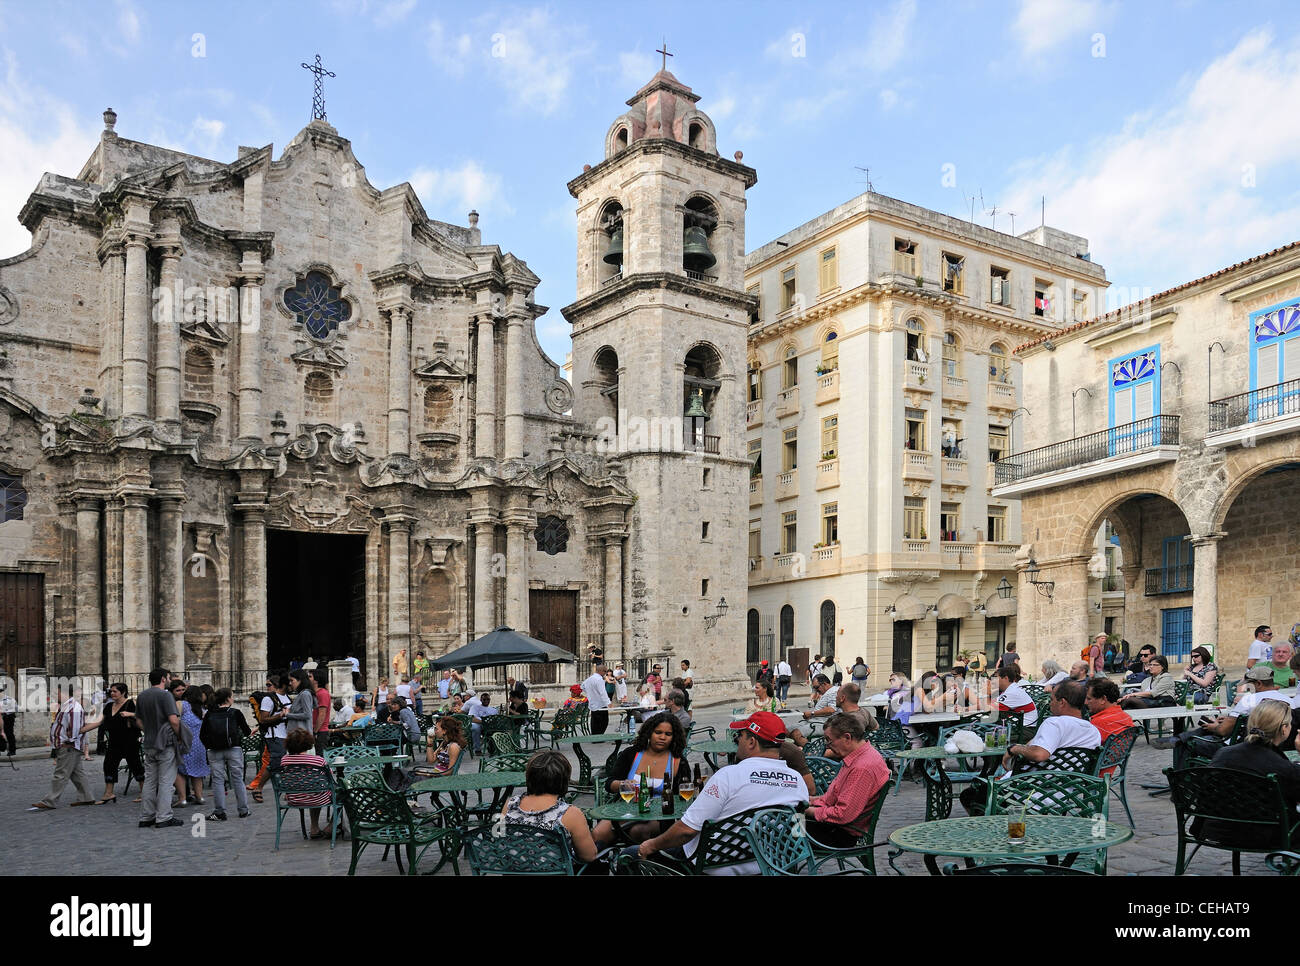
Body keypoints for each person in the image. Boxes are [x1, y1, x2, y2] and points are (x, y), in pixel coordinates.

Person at [637, 711, 808, 874]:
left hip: (713, 866)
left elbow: (686, 831)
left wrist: (651, 845)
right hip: (767, 864)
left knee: (629, 855)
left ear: (751, 742)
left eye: (738, 736)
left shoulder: (729, 775)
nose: (736, 742)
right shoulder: (797, 780)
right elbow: (796, 833)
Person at [961, 680, 1101, 816]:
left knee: (969, 795)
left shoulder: (1055, 723)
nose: (1050, 703)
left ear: (1062, 702)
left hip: (1028, 794)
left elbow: (1040, 754)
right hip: (1066, 794)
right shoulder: (1093, 731)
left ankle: (992, 829)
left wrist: (1014, 749)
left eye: (1052, 699)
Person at [1203, 700, 1300, 848]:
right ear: (1284, 729)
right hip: (1266, 835)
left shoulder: (1224, 753)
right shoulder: (1280, 767)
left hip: (1219, 830)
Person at [1161, 664, 1289, 763]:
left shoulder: (1249, 700)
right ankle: (1179, 738)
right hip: (1276, 745)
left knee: (1189, 742)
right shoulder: (1289, 701)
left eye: (1251, 685)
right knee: (1209, 726)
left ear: (1259, 683)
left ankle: (1180, 785)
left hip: (1241, 747)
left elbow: (1223, 731)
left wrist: (1214, 726)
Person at [595, 713, 689, 845]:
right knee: (599, 833)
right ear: (649, 732)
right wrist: (622, 784)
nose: (662, 737)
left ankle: (640, 863)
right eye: (658, 732)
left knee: (638, 831)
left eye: (668, 734)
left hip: (659, 815)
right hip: (627, 809)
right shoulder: (631, 754)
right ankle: (598, 863)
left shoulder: (678, 761)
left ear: (674, 737)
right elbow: (609, 783)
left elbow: (685, 796)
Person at [804, 712, 891, 847]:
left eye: (829, 740)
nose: (827, 746)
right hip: (837, 828)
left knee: (782, 828)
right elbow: (833, 798)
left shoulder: (862, 768)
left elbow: (842, 815)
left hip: (840, 834)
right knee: (784, 820)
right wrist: (810, 801)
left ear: (847, 737)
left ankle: (775, 865)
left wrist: (809, 811)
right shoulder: (860, 756)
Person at [500, 749, 599, 863]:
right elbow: (588, 856)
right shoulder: (570, 813)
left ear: (529, 777)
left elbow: (499, 841)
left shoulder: (509, 804)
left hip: (514, 870)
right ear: (564, 780)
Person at [30, 682, 95, 811]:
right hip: (67, 745)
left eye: (57, 692)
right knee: (77, 773)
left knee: (60, 774)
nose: (55, 694)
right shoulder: (67, 706)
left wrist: (69, 742)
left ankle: (50, 801)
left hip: (68, 746)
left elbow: (76, 728)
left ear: (64, 692)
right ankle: (87, 797)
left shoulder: (73, 708)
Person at [136, 668, 184, 828]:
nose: (170, 680)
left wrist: (149, 731)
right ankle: (163, 816)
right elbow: (174, 720)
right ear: (164, 679)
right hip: (165, 743)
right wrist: (179, 736)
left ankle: (146, 816)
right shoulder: (165, 695)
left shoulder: (142, 696)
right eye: (169, 678)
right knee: (166, 781)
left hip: (149, 742)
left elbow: (138, 721)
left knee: (150, 780)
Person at [200, 688, 251, 821]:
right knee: (237, 779)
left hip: (214, 750)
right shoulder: (235, 713)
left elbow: (202, 735)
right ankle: (243, 810)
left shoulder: (209, 714)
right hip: (233, 748)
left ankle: (220, 811)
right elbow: (246, 731)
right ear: (228, 698)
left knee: (217, 780)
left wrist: (209, 746)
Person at [95, 682, 143, 805]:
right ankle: (108, 793)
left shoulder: (131, 703)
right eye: (111, 691)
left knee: (135, 764)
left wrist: (130, 714)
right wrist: (82, 730)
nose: (112, 693)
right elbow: (99, 721)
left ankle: (144, 792)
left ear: (123, 692)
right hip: (114, 741)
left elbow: (143, 717)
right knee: (109, 764)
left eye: (115, 691)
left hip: (130, 740)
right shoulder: (109, 706)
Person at [279, 728, 332, 839]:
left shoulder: (284, 760)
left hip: (294, 799)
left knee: (313, 790)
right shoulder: (318, 760)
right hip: (316, 799)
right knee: (343, 794)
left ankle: (314, 829)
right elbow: (330, 779)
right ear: (309, 743)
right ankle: (331, 827)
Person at [249, 674, 291, 804]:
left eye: (269, 685)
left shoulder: (286, 697)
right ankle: (259, 787)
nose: (267, 688)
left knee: (283, 762)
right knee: (276, 762)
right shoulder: (268, 699)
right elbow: (263, 719)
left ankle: (287, 790)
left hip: (286, 734)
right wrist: (280, 715)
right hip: (275, 735)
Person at [176, 685, 209, 807]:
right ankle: (200, 797)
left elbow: (175, 721)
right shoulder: (201, 709)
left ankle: (182, 798)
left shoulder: (182, 704)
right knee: (197, 772)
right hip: (199, 744)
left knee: (178, 770)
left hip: (184, 741)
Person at [791, 673, 839, 746]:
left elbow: (831, 709)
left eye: (817, 687)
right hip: (815, 721)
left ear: (824, 684)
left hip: (823, 724)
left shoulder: (833, 692)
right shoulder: (828, 692)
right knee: (786, 730)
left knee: (796, 734)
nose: (816, 690)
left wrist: (812, 713)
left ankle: (812, 752)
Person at [1085, 677, 1135, 742]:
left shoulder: (1098, 722)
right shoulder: (1126, 717)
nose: (1085, 702)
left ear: (1103, 699)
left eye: (1089, 699)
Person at [581, 661, 611, 735]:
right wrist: (608, 702)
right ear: (601, 671)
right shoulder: (599, 680)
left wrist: (589, 693)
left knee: (594, 720)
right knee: (604, 721)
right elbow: (603, 692)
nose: (605, 673)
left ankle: (595, 735)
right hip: (600, 703)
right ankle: (599, 735)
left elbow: (582, 686)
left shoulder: (589, 679)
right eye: (605, 671)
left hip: (593, 702)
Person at [310, 668, 332, 756]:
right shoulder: (315, 693)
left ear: (316, 679)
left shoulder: (322, 693)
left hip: (320, 730)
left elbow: (322, 714)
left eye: (310, 677)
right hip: (316, 729)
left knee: (320, 756)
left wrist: (315, 731)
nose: (308, 679)